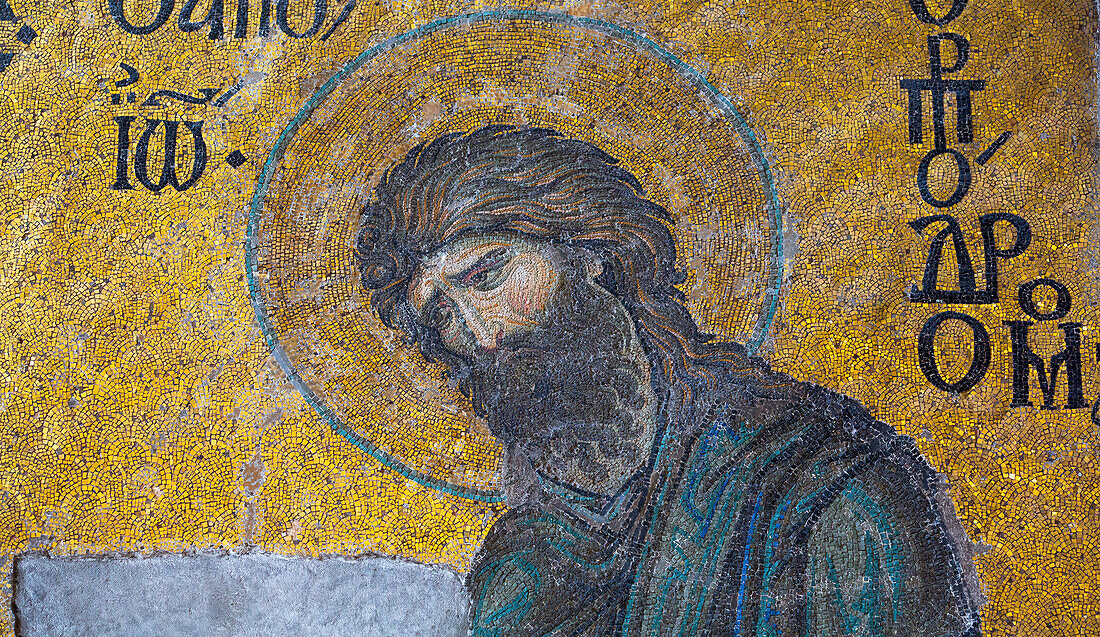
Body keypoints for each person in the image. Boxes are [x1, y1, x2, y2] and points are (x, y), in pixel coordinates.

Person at [355, 125, 982, 637]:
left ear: (588, 249)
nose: (483, 335)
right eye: (442, 314)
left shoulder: (820, 480)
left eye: (486, 274)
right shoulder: (517, 567)